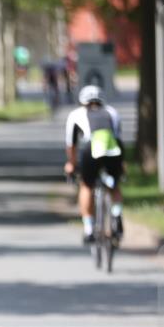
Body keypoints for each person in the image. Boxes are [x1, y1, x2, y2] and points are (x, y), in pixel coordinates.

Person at [63, 85, 124, 244]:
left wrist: (71, 163)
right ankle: (117, 214)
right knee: (114, 184)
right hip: (113, 149)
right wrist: (122, 164)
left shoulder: (76, 114)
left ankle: (89, 228)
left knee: (86, 185)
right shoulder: (112, 112)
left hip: (91, 149)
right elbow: (117, 137)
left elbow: (71, 144)